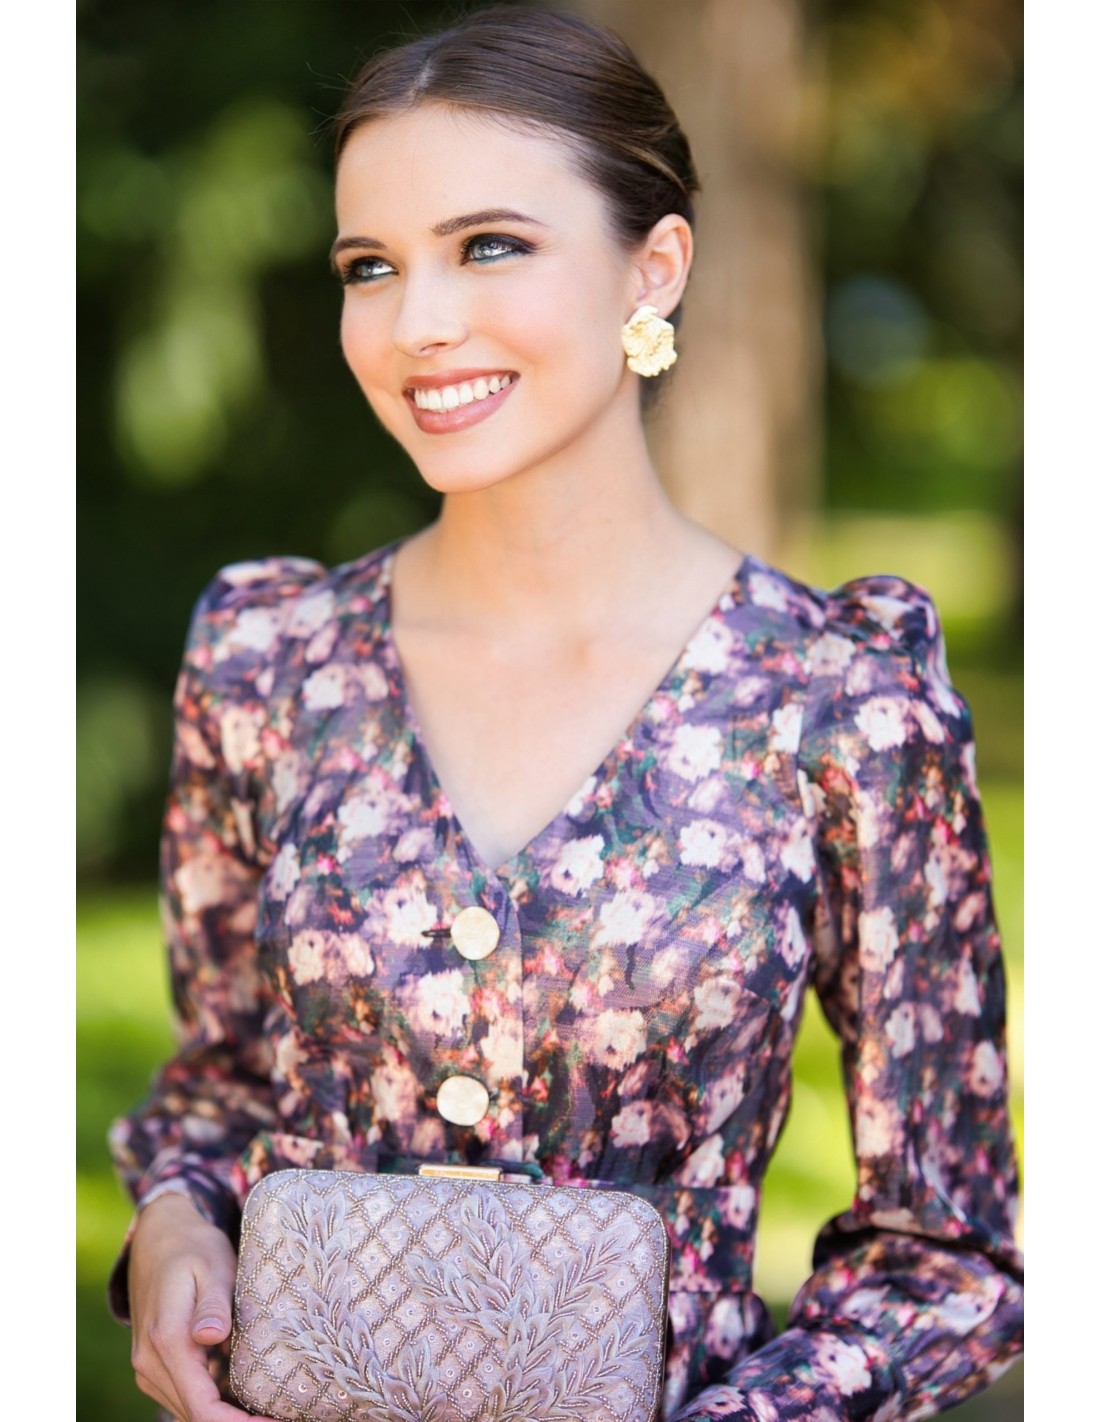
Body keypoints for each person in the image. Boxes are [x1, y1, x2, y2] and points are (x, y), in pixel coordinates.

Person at [107, 8, 1023, 1421]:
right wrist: (175, 1222)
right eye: (369, 266)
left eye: (489, 245)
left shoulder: (843, 700)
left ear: (653, 268)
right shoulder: (268, 659)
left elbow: (950, 1258)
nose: (417, 323)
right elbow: (222, 1081)